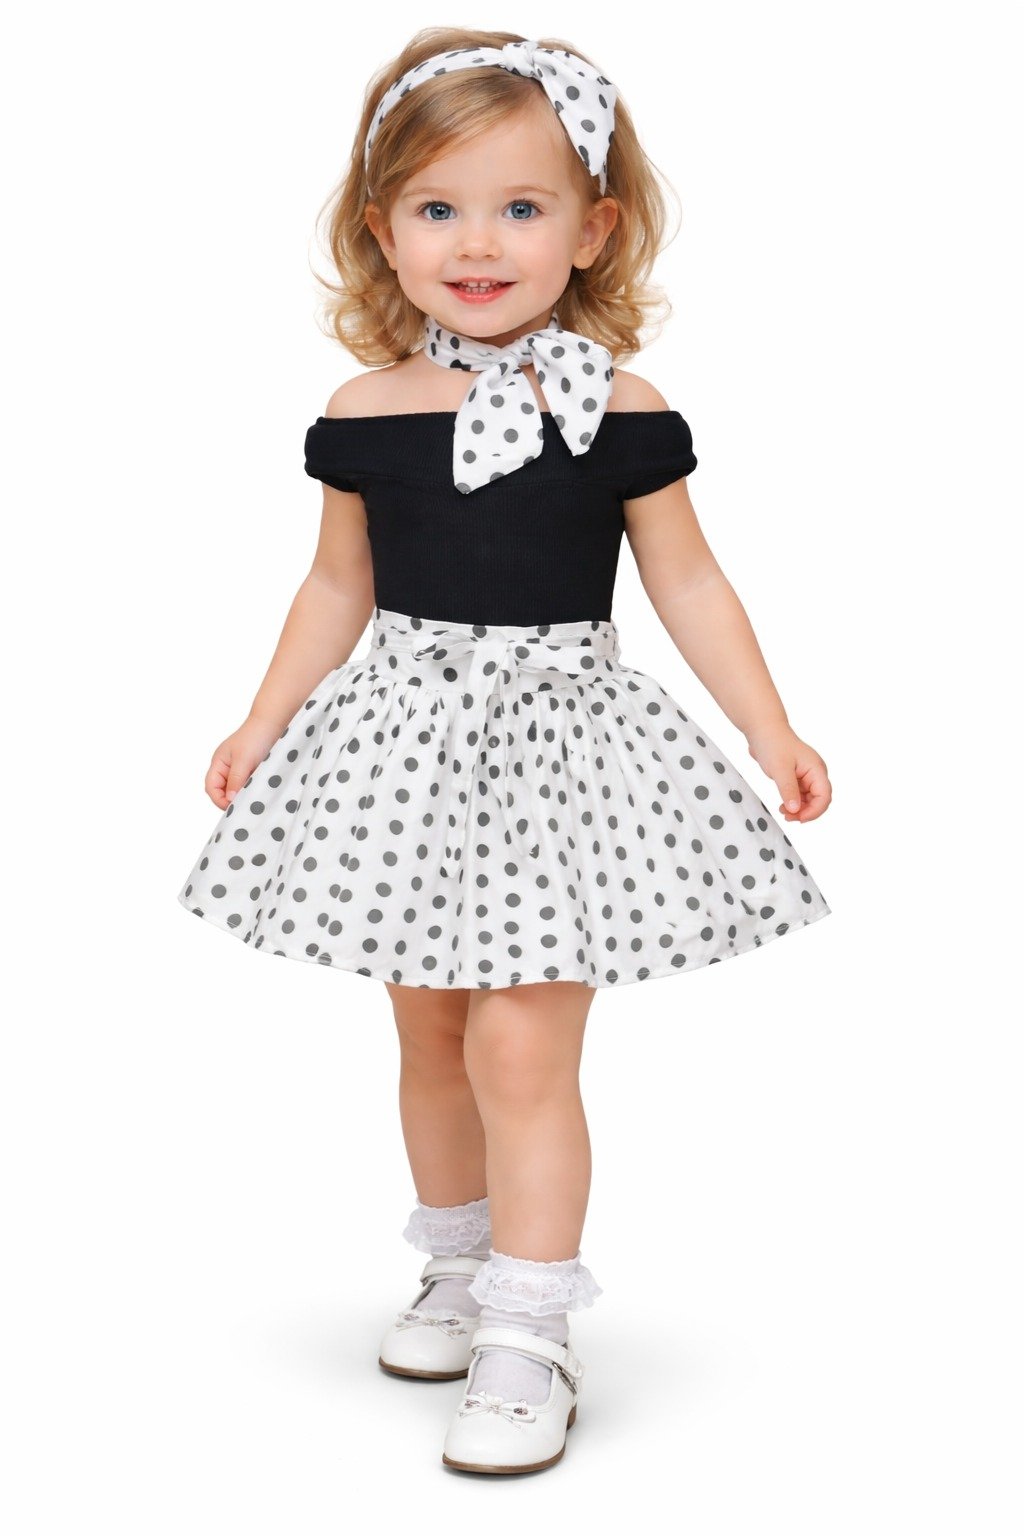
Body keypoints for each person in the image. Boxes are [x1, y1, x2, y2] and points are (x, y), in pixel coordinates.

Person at [176, 27, 833, 1475]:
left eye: (522, 207)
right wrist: (263, 717)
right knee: (427, 1028)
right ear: (382, 229)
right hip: (402, 755)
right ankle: (459, 1263)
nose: (478, 243)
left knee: (523, 1043)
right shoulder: (364, 415)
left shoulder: (624, 414)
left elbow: (688, 582)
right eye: (439, 208)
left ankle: (533, 1327)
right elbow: (336, 585)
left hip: (559, 757)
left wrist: (767, 723)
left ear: (592, 229)